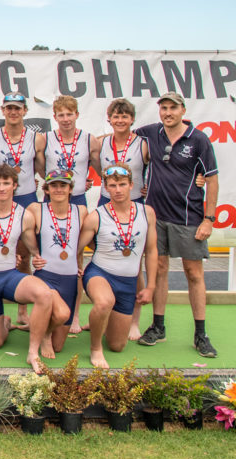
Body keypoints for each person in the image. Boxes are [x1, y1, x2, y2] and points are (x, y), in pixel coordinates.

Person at [135, 92, 218, 358]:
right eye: (164, 108)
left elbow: (212, 179)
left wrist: (209, 219)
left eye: (173, 108)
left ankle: (200, 334)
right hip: (156, 218)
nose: (168, 112)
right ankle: (158, 327)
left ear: (183, 110)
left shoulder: (199, 139)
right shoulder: (152, 132)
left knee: (194, 274)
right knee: (158, 270)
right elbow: (118, 135)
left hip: (189, 218)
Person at [0, 164, 68, 373]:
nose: (2, 188)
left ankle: (33, 350)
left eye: (7, 183)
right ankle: (5, 322)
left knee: (43, 294)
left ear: (15, 185)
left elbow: (32, 246)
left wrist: (38, 258)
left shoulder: (25, 215)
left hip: (8, 277)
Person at [77, 165, 158, 368]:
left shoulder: (146, 213)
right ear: (106, 189)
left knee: (117, 345)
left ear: (131, 185)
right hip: (99, 273)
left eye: (122, 184)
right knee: (104, 302)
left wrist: (150, 287)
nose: (118, 190)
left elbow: (152, 251)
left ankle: (101, 323)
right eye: (112, 186)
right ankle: (95, 348)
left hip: (128, 281)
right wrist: (73, 268)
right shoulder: (96, 216)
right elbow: (76, 247)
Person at [0, 91, 47, 328]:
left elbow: (42, 170)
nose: (13, 112)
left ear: (25, 111)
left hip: (27, 197)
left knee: (25, 254)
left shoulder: (37, 138)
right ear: (3, 111)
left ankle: (22, 310)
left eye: (17, 108)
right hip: (1, 198)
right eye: (9, 108)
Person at [97, 98, 151, 339]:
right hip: (105, 203)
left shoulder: (143, 145)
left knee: (134, 265)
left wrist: (150, 186)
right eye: (115, 116)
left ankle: (133, 320)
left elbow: (158, 169)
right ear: (109, 118)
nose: (120, 120)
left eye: (124, 116)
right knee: (103, 258)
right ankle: (103, 314)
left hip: (134, 203)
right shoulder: (100, 143)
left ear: (132, 119)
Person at [23, 169, 85, 362]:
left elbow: (82, 244)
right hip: (46, 275)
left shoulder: (81, 211)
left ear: (70, 189)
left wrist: (79, 264)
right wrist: (34, 253)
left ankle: (45, 329)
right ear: (47, 189)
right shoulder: (36, 209)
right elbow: (22, 231)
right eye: (54, 185)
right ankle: (44, 335)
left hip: (69, 278)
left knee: (59, 346)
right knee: (60, 313)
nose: (58, 189)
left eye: (63, 185)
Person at [45, 95, 101, 207]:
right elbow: (37, 168)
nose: (66, 119)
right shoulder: (45, 139)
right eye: (61, 115)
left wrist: (81, 180)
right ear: (55, 117)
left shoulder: (89, 139)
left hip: (78, 198)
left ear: (77, 115)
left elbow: (101, 171)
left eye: (69, 114)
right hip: (52, 198)